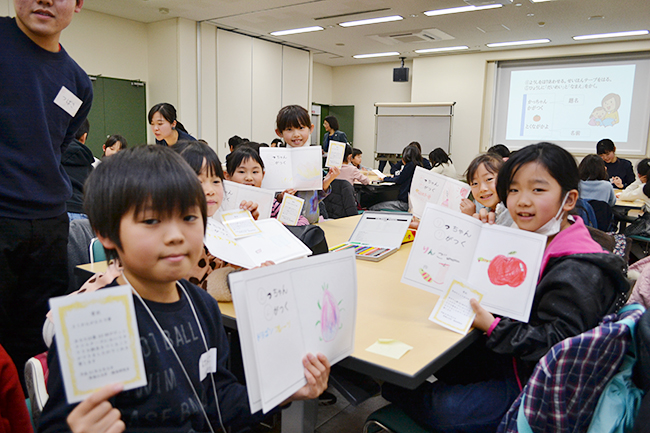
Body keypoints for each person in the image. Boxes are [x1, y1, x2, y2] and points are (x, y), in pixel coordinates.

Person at [38, 145, 330, 432]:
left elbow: (218, 399)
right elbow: (59, 423)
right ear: (106, 233)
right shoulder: (95, 322)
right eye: (152, 221)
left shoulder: (201, 305)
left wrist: (281, 391)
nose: (176, 236)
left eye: (189, 217)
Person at [383, 142, 629, 433]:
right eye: (513, 190)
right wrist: (485, 240)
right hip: (514, 360)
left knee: (443, 409)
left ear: (570, 198)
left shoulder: (579, 268)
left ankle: (393, 391)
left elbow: (554, 348)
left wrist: (492, 326)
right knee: (440, 359)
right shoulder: (539, 240)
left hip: (535, 385)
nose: (522, 201)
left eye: (537, 190)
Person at [0, 0, 93, 390]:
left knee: (34, 340)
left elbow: (58, 143)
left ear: (77, 4)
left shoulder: (77, 81)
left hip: (51, 226)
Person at [275, 105, 340, 223]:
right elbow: (271, 198)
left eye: (301, 128)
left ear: (310, 129)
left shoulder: (312, 157)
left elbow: (316, 198)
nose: (296, 134)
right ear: (279, 132)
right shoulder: (276, 160)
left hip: (312, 223)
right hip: (286, 225)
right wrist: (281, 197)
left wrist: (326, 182)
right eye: (289, 129)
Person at [226, 145, 309, 226]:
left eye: (255, 172)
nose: (249, 178)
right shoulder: (222, 202)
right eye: (241, 172)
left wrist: (281, 226)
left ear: (263, 174)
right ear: (227, 176)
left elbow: (302, 221)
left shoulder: (270, 203)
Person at [459, 153, 513, 226]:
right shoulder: (489, 209)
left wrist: (471, 219)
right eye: (475, 183)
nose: (482, 189)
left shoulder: (509, 211)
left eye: (489, 179)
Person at [369, 145, 421, 212]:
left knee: (373, 208)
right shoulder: (420, 165)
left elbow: (399, 180)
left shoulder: (410, 166)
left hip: (405, 204)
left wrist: (385, 179)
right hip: (415, 204)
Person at [62, 118, 94, 221]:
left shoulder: (49, 159)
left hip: (54, 213)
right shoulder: (91, 168)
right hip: (83, 215)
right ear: (83, 137)